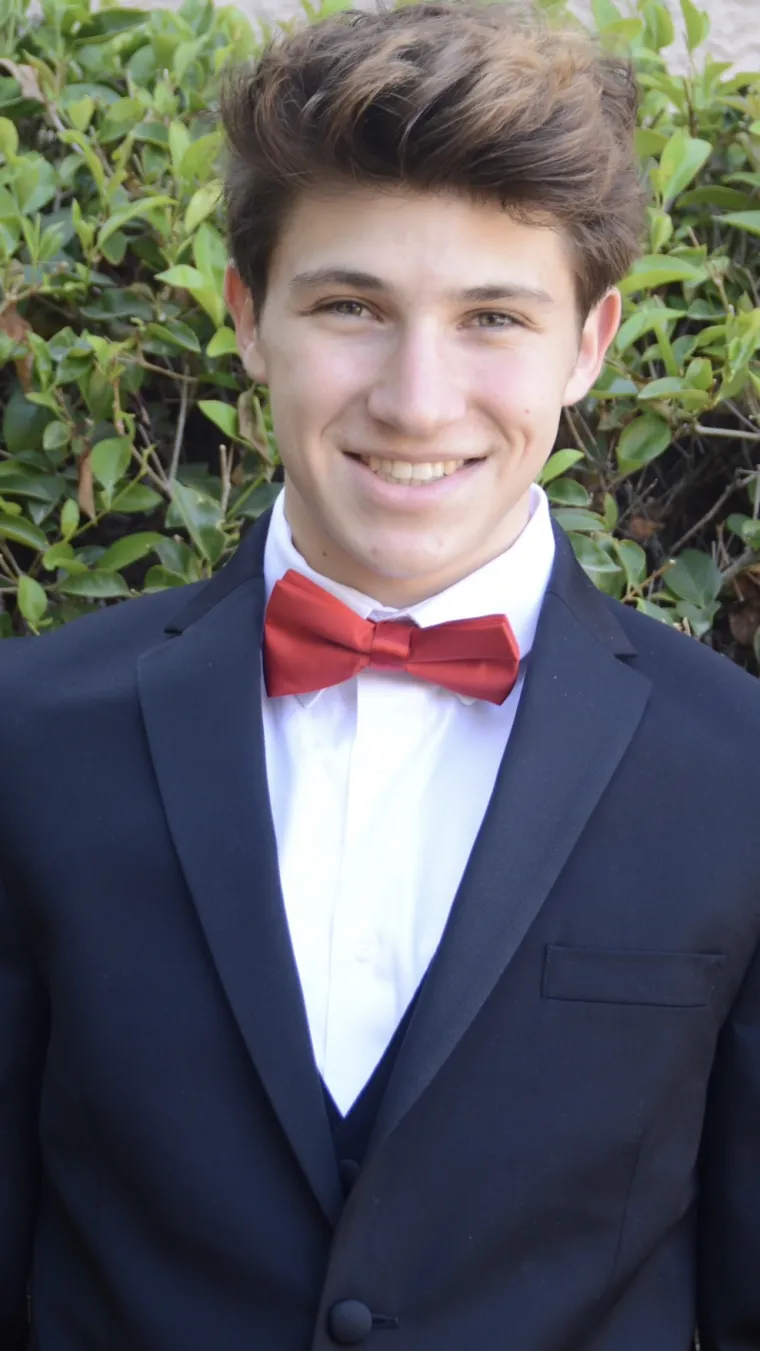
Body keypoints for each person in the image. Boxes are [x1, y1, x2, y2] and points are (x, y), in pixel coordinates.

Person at [1, 1, 760, 1347]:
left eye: (491, 318)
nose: (418, 399)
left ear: (589, 342)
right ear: (248, 318)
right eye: (353, 307)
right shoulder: (32, 737)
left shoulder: (739, 773)